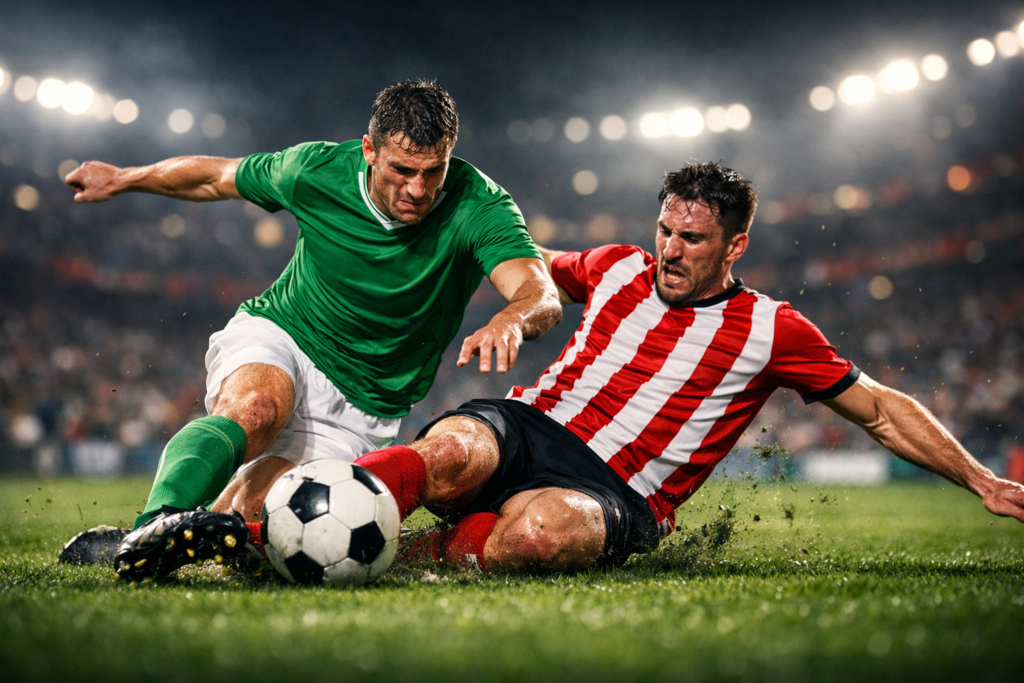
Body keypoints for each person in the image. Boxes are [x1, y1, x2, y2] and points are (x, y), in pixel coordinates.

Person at [111, 161, 1024, 580]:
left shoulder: (771, 328)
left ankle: (395, 553)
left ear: (735, 244)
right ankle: (301, 522)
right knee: (458, 444)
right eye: (664, 229)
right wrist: (483, 273)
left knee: (541, 536)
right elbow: (523, 265)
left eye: (691, 239)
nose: (668, 249)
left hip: (625, 492)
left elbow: (879, 408)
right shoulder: (619, 263)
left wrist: (979, 478)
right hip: (533, 426)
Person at [57, 80, 562, 567]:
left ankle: (184, 537)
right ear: (368, 149)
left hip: (365, 404)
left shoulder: (480, 203)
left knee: (250, 520)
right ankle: (149, 528)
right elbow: (217, 176)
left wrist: (512, 319)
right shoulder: (315, 170)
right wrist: (124, 179)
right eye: (402, 169)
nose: (418, 188)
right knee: (255, 408)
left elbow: (538, 290)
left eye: (434, 171)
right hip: (287, 334)